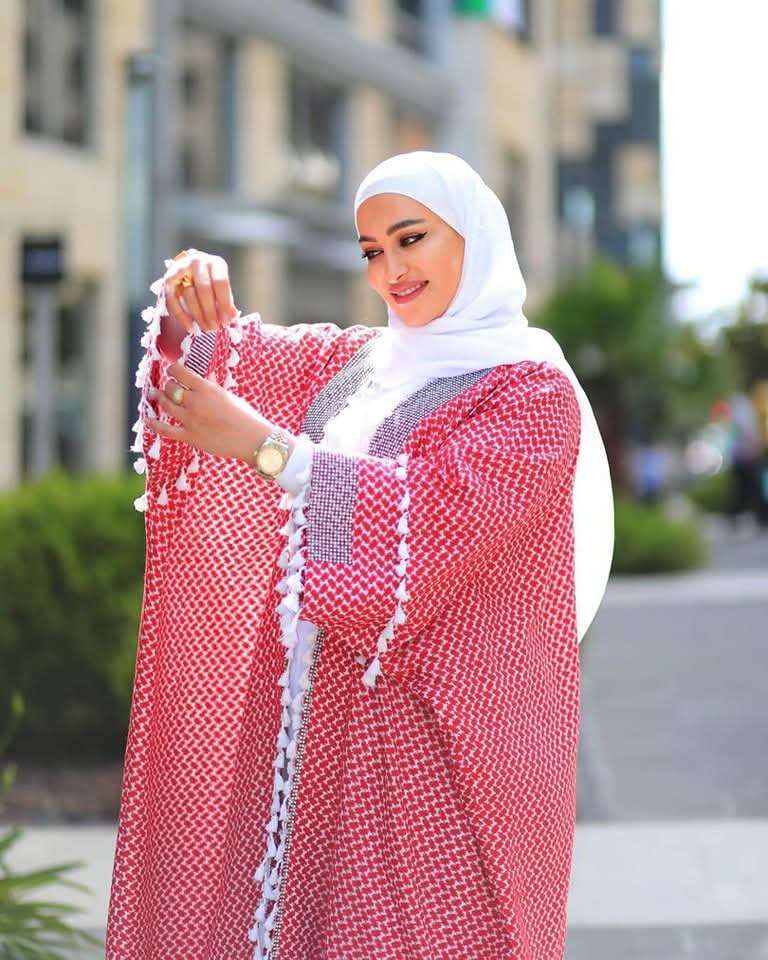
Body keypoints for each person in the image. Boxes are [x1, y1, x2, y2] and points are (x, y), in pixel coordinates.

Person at [105, 151, 614, 960]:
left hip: (441, 761)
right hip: (324, 732)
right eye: (373, 250)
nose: (391, 271)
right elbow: (213, 366)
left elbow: (432, 528)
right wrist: (190, 291)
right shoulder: (359, 369)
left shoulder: (531, 396)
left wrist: (270, 449)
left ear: (474, 236)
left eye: (411, 239)